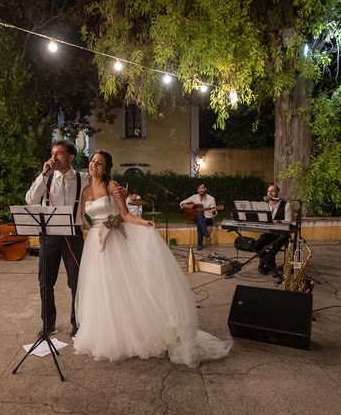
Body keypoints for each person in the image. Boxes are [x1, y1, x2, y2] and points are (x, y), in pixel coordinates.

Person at [73, 151, 232, 368]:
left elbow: (127, 215)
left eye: (99, 163)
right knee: (99, 287)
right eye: (92, 161)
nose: (94, 165)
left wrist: (144, 223)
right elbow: (81, 217)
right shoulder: (85, 191)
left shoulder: (112, 186)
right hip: (94, 242)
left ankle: (131, 333)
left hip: (114, 241)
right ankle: (104, 331)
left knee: (121, 286)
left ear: (106, 167)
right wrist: (88, 228)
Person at [24, 140, 89, 338]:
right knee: (45, 281)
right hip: (49, 236)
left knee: (76, 282)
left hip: (73, 235)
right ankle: (48, 324)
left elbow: (102, 188)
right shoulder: (46, 178)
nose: (54, 157)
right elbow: (30, 200)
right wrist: (43, 175)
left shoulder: (83, 178)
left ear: (70, 157)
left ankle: (77, 324)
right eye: (53, 153)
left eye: (60, 153)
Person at [254, 184, 293, 275]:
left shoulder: (286, 205)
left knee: (275, 245)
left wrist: (279, 221)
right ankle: (270, 262)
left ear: (278, 193)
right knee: (257, 245)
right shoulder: (265, 205)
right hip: (269, 232)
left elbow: (289, 221)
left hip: (282, 233)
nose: (270, 193)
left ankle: (264, 263)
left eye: (273, 191)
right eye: (268, 191)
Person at [180, 183, 217, 250]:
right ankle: (206, 234)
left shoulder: (211, 199)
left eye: (202, 188)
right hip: (196, 217)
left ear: (205, 189)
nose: (200, 190)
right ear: (197, 190)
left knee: (200, 222)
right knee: (199, 217)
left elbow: (213, 213)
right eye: (199, 188)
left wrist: (213, 211)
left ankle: (200, 244)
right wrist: (188, 206)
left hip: (208, 219)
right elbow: (182, 203)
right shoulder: (194, 197)